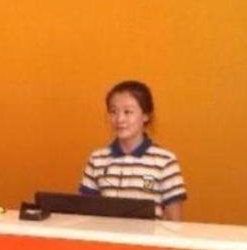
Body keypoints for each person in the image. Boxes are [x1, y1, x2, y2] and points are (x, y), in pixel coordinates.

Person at [79, 80, 186, 220]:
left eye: (128, 112)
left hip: (148, 234)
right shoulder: (97, 159)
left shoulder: (165, 161)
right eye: (113, 111)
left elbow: (174, 221)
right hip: (106, 233)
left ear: (146, 115)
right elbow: (86, 214)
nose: (119, 119)